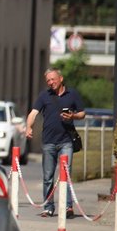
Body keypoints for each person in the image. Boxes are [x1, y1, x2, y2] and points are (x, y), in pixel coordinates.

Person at [25, 67, 85, 218]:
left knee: (66, 175)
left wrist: (73, 116)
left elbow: (82, 113)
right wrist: (28, 127)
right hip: (49, 142)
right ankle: (48, 208)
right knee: (47, 177)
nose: (51, 82)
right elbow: (33, 113)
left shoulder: (72, 94)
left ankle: (68, 207)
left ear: (61, 78)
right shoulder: (44, 96)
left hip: (66, 142)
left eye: (53, 79)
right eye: (48, 81)